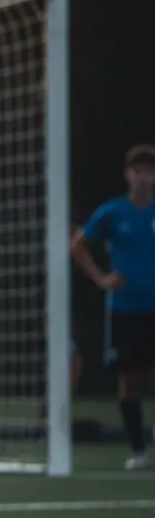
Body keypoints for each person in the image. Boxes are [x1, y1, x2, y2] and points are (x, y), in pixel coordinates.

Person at [72, 144, 155, 469]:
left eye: (149, 171)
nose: (143, 177)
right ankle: (138, 450)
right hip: (125, 309)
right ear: (127, 174)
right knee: (129, 380)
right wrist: (101, 278)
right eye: (138, 171)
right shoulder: (113, 211)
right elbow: (79, 244)